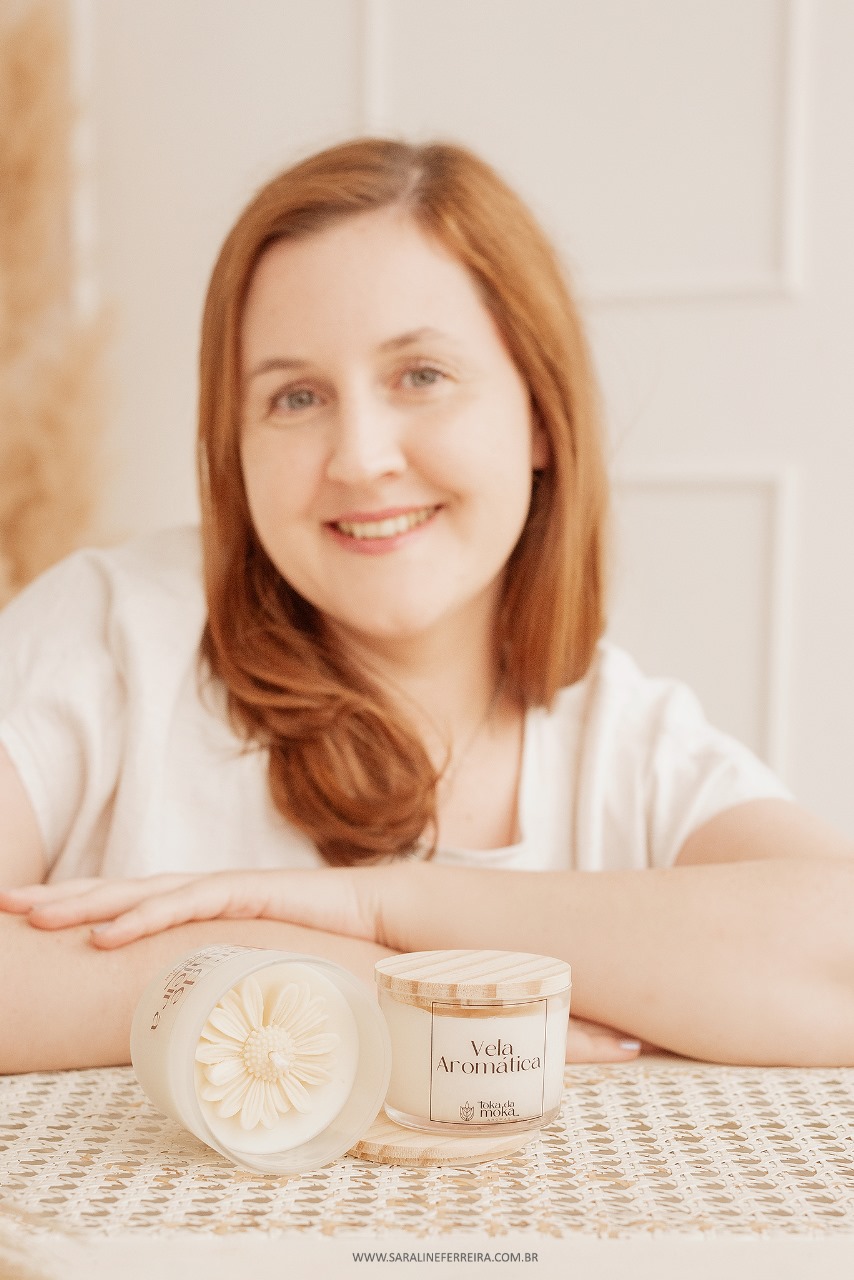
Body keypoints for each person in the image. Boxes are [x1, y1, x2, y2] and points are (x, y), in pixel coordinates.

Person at [1, 138, 853, 1076]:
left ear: (539, 415)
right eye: (295, 397)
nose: (361, 458)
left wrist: (392, 908)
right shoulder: (110, 636)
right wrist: (300, 975)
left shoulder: (629, 749)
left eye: (421, 376)